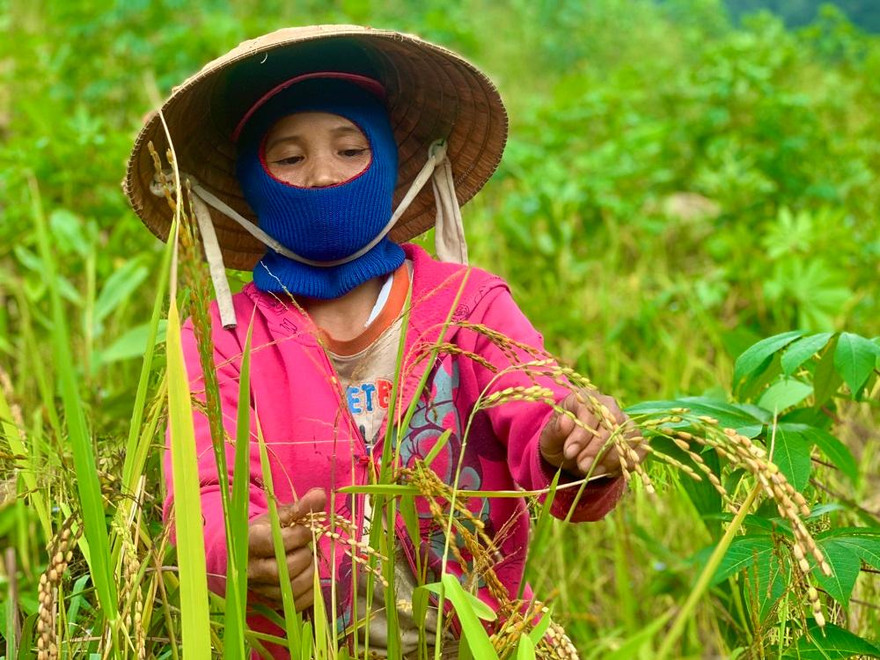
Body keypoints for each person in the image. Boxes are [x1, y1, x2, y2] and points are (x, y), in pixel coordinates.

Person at [124, 25, 643, 659]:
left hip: (481, 644)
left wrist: (576, 440)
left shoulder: (467, 306)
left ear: (392, 167)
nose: (321, 175)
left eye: (350, 149)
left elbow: (535, 404)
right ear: (249, 186)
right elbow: (202, 495)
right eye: (287, 158)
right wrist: (239, 546)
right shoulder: (222, 339)